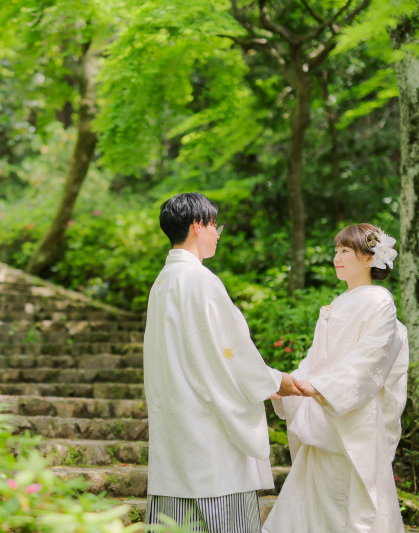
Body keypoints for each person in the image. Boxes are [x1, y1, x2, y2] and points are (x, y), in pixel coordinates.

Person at [143, 193, 301, 533]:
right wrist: (273, 381)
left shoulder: (163, 281)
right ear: (197, 226)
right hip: (206, 427)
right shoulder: (200, 280)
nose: (218, 234)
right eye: (215, 226)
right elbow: (230, 352)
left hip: (175, 421)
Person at [262, 223, 409, 533]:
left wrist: (320, 387)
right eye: (336, 251)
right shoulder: (339, 302)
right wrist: (291, 385)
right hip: (324, 410)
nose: (336, 258)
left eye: (345, 251)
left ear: (369, 258)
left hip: (351, 415)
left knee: (349, 503)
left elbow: (370, 357)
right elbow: (317, 360)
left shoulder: (379, 301)